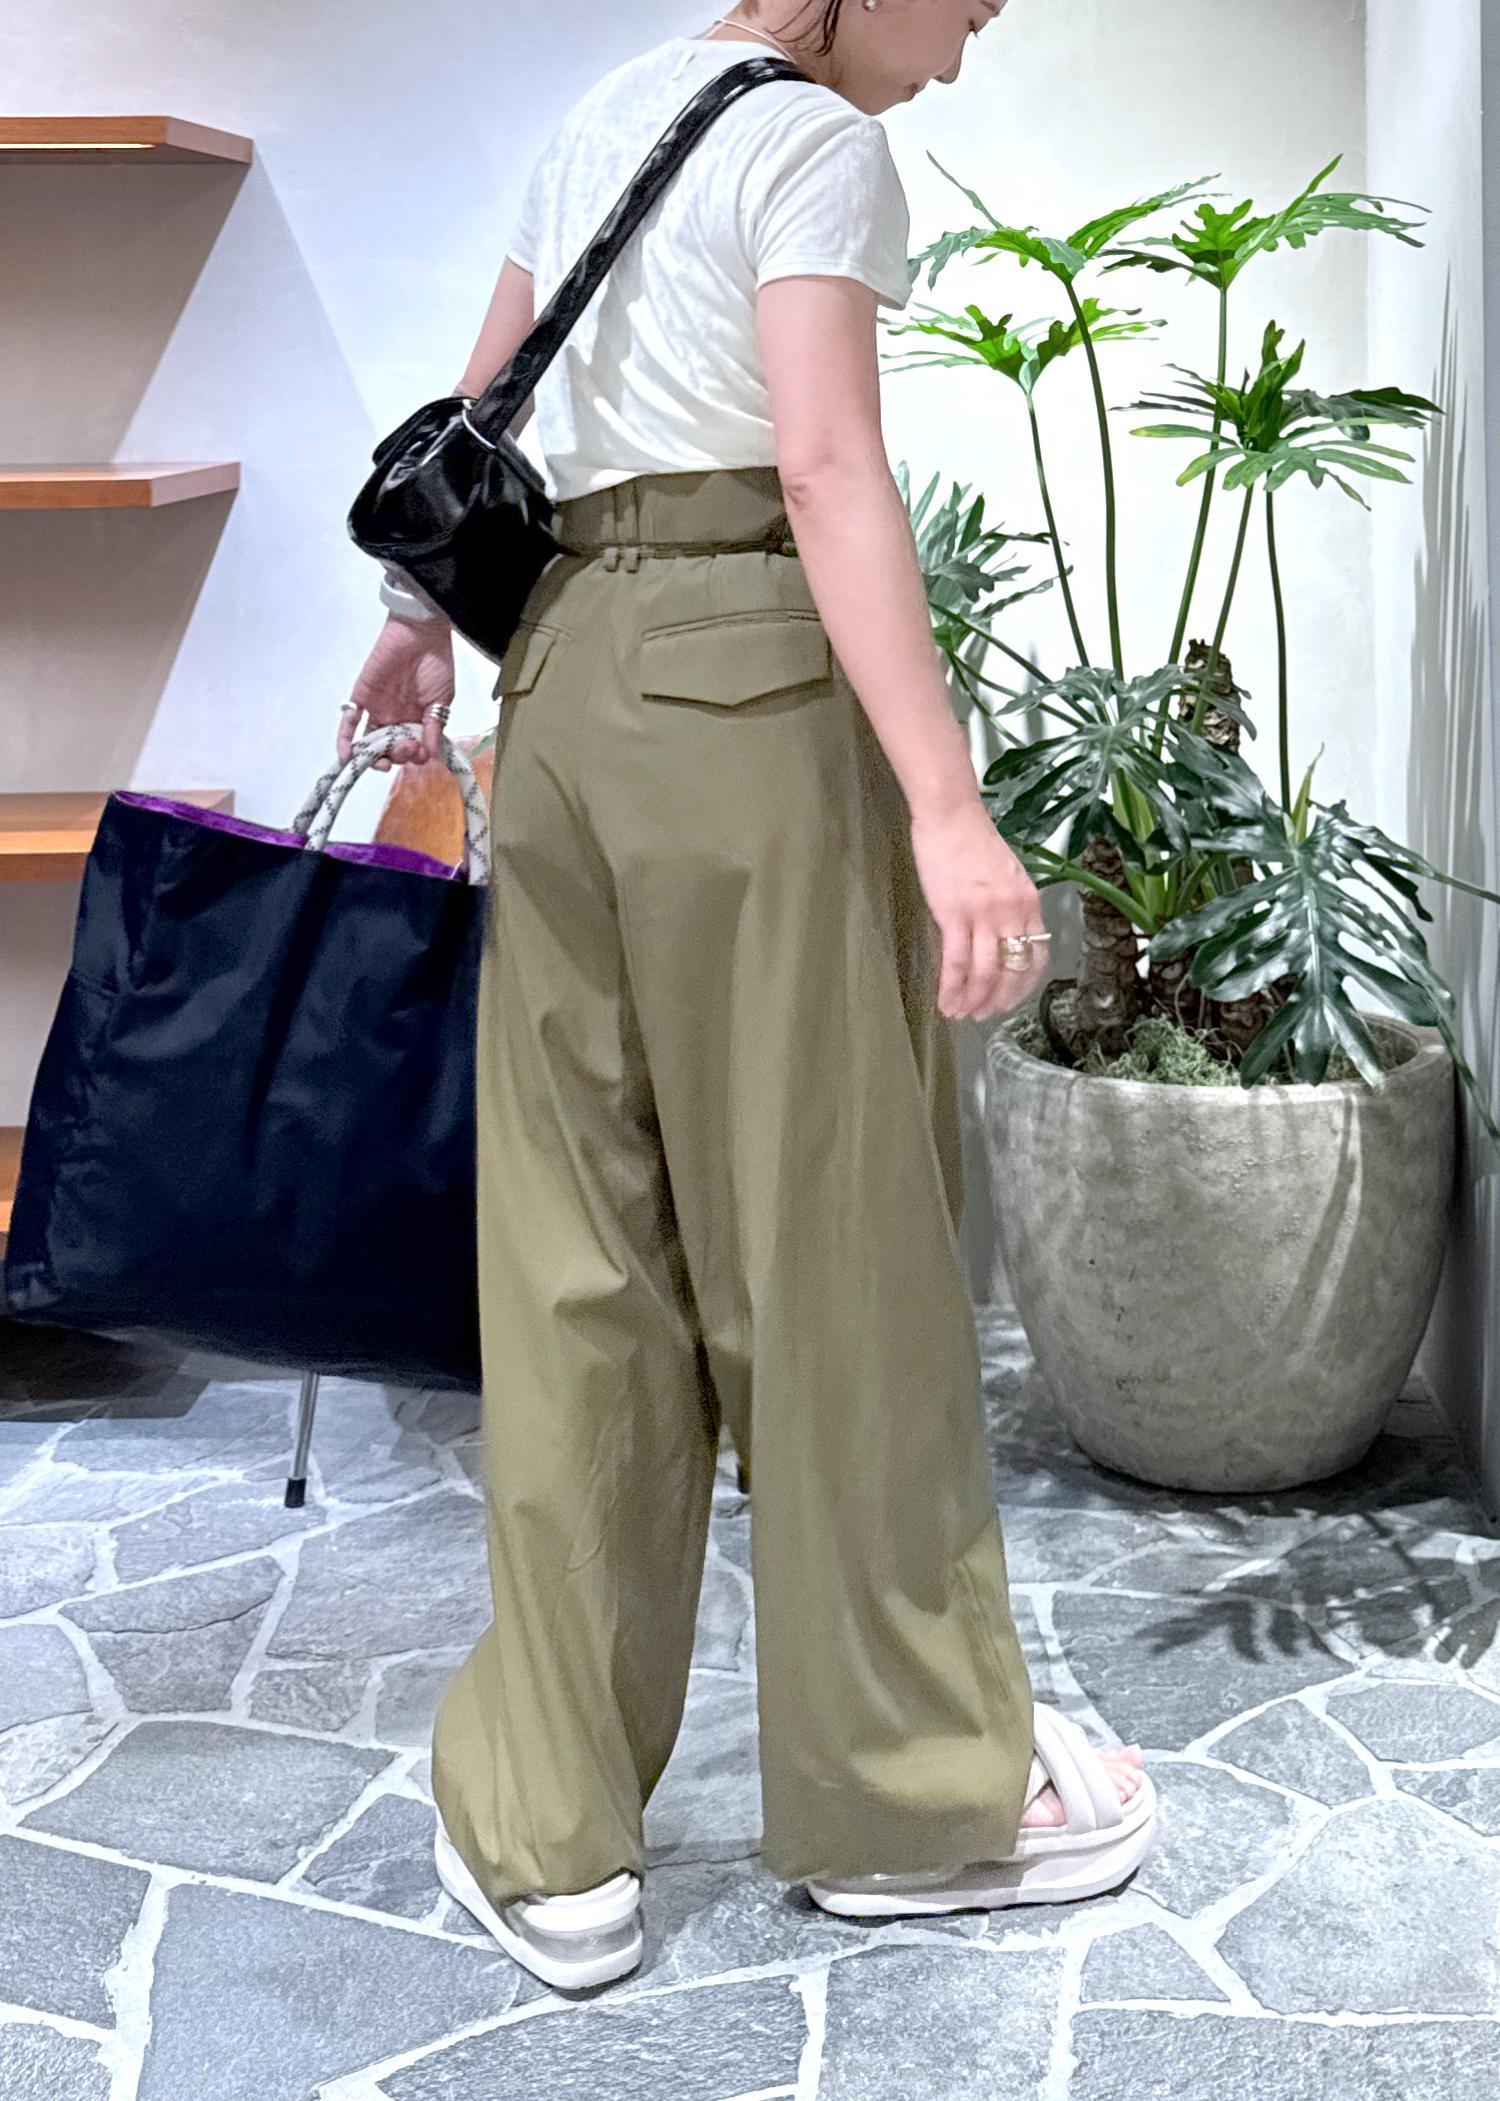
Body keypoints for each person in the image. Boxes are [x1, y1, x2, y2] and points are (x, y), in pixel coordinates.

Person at [340, 0, 1156, 1994]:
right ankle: (904, 1796)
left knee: (576, 1261)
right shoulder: (816, 144)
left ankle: (550, 1838)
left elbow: (484, 395)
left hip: (561, 690)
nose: (980, 24)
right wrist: (950, 810)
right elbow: (824, 462)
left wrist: (412, 623)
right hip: (749, 693)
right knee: (830, 1241)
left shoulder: (604, 109)